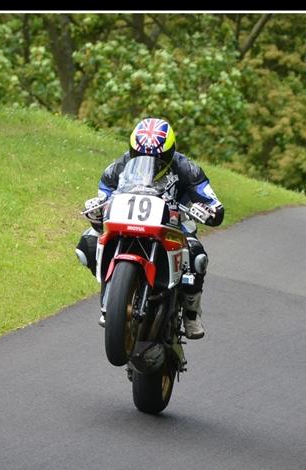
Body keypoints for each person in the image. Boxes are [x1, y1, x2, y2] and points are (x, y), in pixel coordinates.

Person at [75, 118, 224, 339]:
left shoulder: (188, 168)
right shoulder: (117, 167)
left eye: (156, 158)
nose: (149, 161)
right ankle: (114, 295)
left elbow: (213, 202)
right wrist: (98, 211)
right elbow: (105, 197)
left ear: (169, 152)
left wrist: (209, 210)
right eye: (140, 155)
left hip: (175, 222)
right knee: (87, 243)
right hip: (129, 218)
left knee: (196, 256)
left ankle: (191, 314)